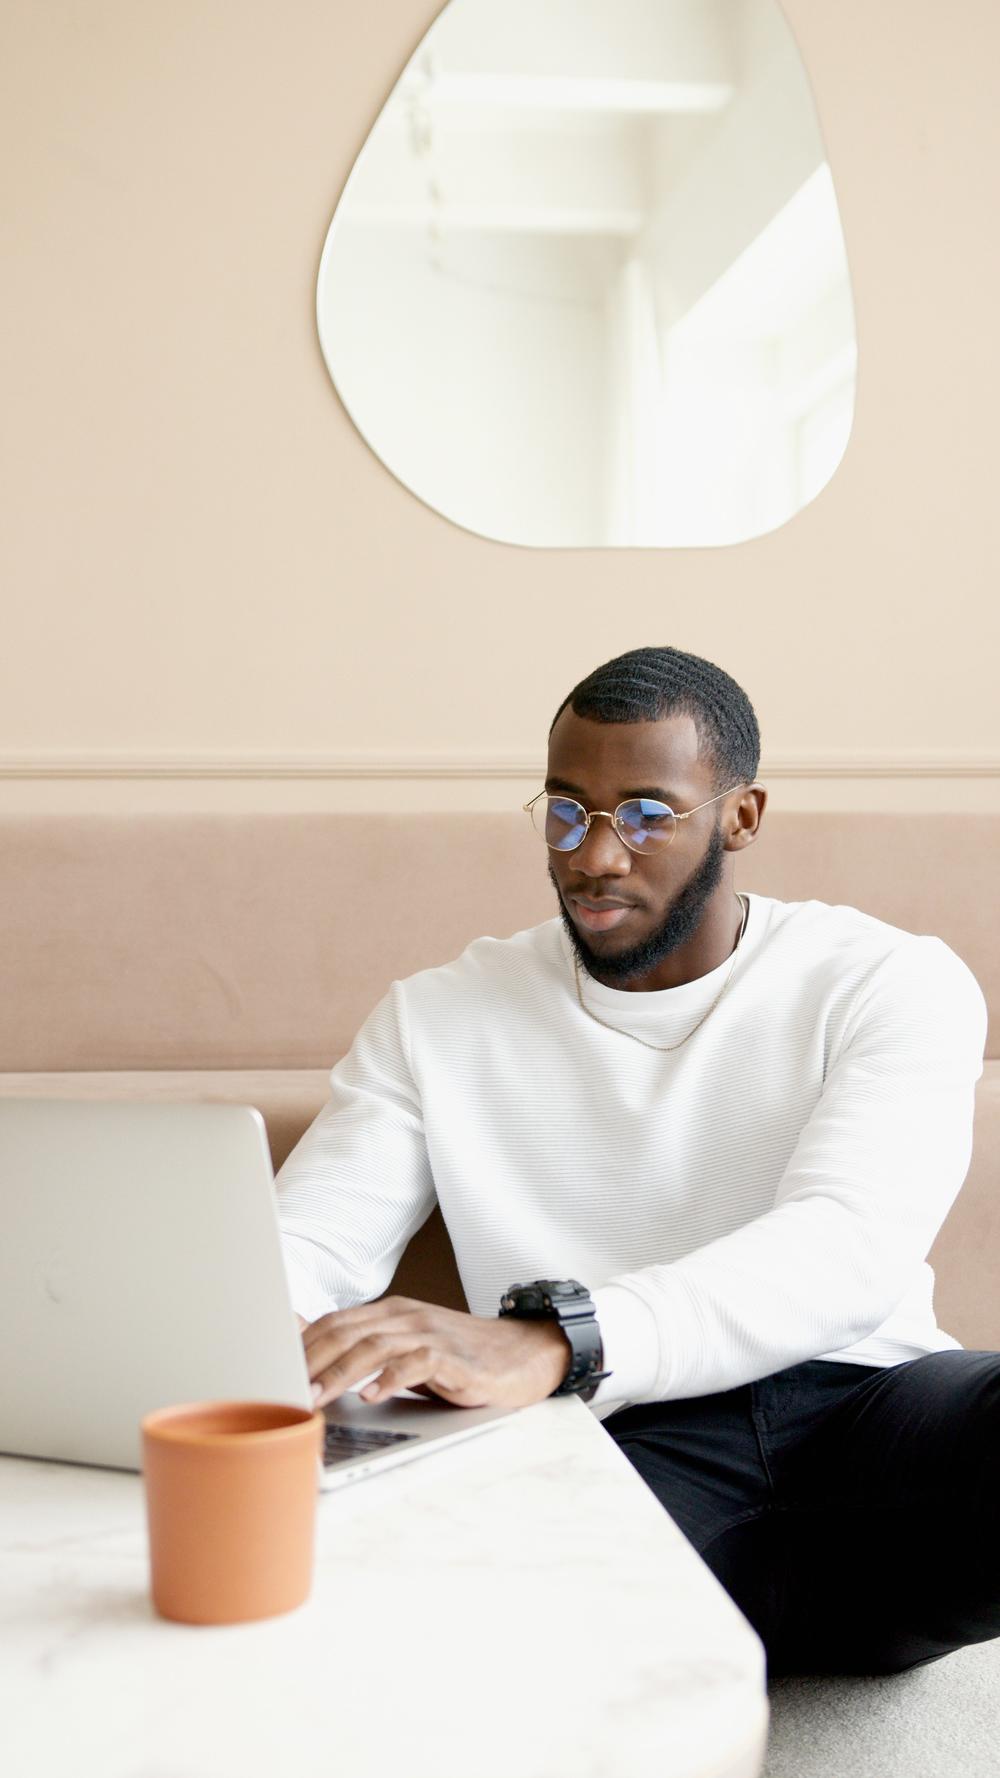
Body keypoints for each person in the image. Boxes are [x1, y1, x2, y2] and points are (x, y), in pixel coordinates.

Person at [275, 644, 998, 1679]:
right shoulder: (436, 1014)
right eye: (565, 811)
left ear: (740, 817)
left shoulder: (885, 979)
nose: (594, 854)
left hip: (867, 1420)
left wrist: (555, 1335)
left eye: (647, 814)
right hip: (612, 1445)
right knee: (421, 1622)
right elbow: (306, 1247)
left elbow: (848, 1243)